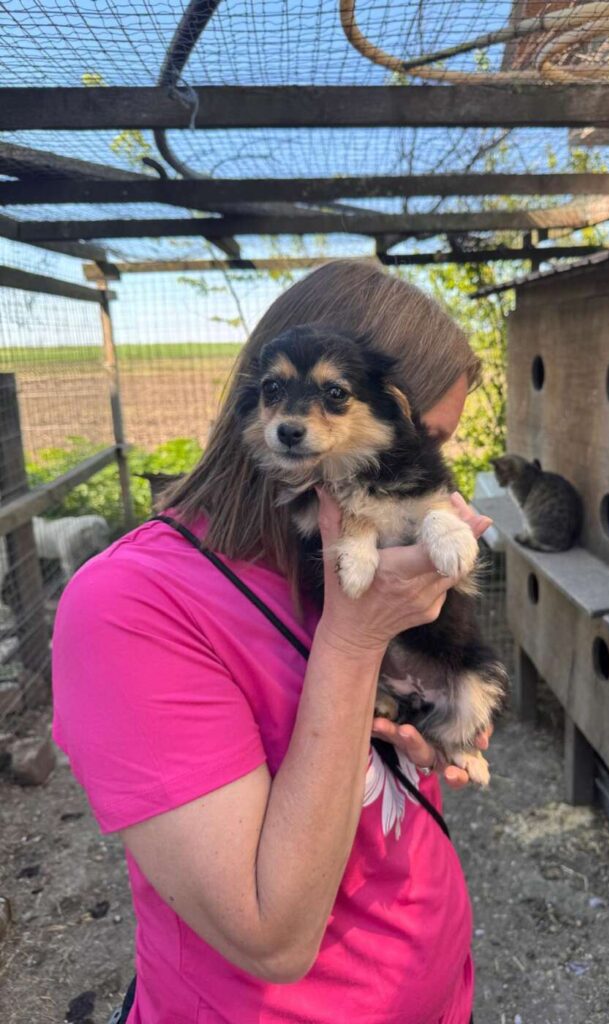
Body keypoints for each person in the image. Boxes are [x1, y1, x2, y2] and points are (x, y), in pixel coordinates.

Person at [52, 259, 495, 1024]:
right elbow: (271, 937)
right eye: (427, 440)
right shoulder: (128, 607)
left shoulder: (349, 551)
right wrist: (356, 640)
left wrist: (424, 723)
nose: (440, 477)